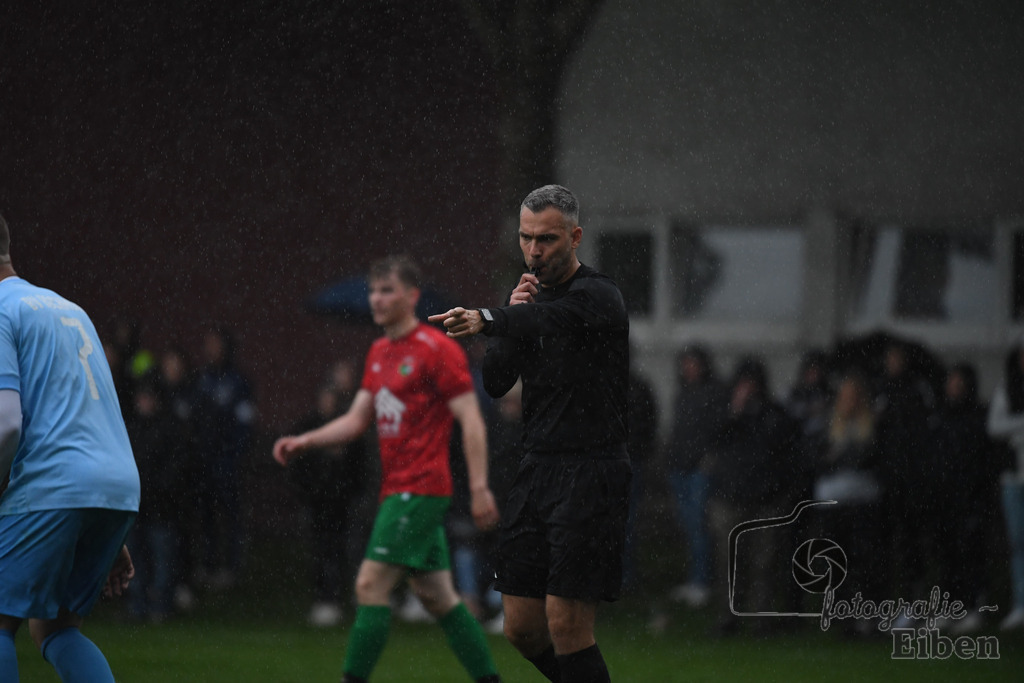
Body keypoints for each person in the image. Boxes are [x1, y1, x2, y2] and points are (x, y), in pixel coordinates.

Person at [430, 184, 631, 683]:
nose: (535, 251)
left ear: (575, 236)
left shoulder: (598, 295)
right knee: (521, 628)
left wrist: (494, 318)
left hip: (590, 471)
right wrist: (509, 319)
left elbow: (554, 317)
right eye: (526, 239)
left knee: (566, 623)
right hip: (536, 468)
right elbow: (497, 383)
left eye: (547, 239)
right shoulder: (526, 303)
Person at [273, 255, 502, 683]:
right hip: (398, 490)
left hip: (421, 490)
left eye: (387, 290)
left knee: (369, 588)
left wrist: (480, 487)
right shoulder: (378, 352)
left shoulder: (438, 349)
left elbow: (471, 419)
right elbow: (357, 420)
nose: (377, 299)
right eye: (373, 291)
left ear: (412, 296)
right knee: (440, 599)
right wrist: (307, 440)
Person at [0, 213, 140, 682]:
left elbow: (5, 426)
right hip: (114, 486)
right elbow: (93, 412)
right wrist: (104, 526)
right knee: (55, 627)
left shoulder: (0, 309)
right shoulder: (68, 307)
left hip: (53, 485)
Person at [286, 370, 370, 627]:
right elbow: (299, 465)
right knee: (320, 551)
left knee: (343, 551)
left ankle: (340, 598)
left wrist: (349, 487)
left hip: (341, 502)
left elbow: (359, 467)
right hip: (316, 502)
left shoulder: (349, 430)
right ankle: (323, 599)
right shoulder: (308, 426)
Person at [664, 345, 726, 609]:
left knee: (700, 526)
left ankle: (702, 582)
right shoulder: (683, 394)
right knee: (689, 526)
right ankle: (695, 580)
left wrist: (706, 461)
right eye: (685, 363)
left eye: (693, 363)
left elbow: (716, 431)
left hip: (699, 470)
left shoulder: (713, 393)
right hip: (680, 468)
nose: (688, 368)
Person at [194, 327, 255, 589]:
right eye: (208, 345)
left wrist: (233, 455)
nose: (212, 350)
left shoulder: (238, 382)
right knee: (205, 515)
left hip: (227, 461)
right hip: (203, 460)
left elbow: (245, 423)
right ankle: (207, 565)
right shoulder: (201, 380)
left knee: (230, 516)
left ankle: (231, 569)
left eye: (216, 344)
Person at [986, 343, 1024, 631]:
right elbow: (995, 426)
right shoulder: (1008, 389)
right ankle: (1020, 604)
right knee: (1017, 543)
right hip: (1014, 477)